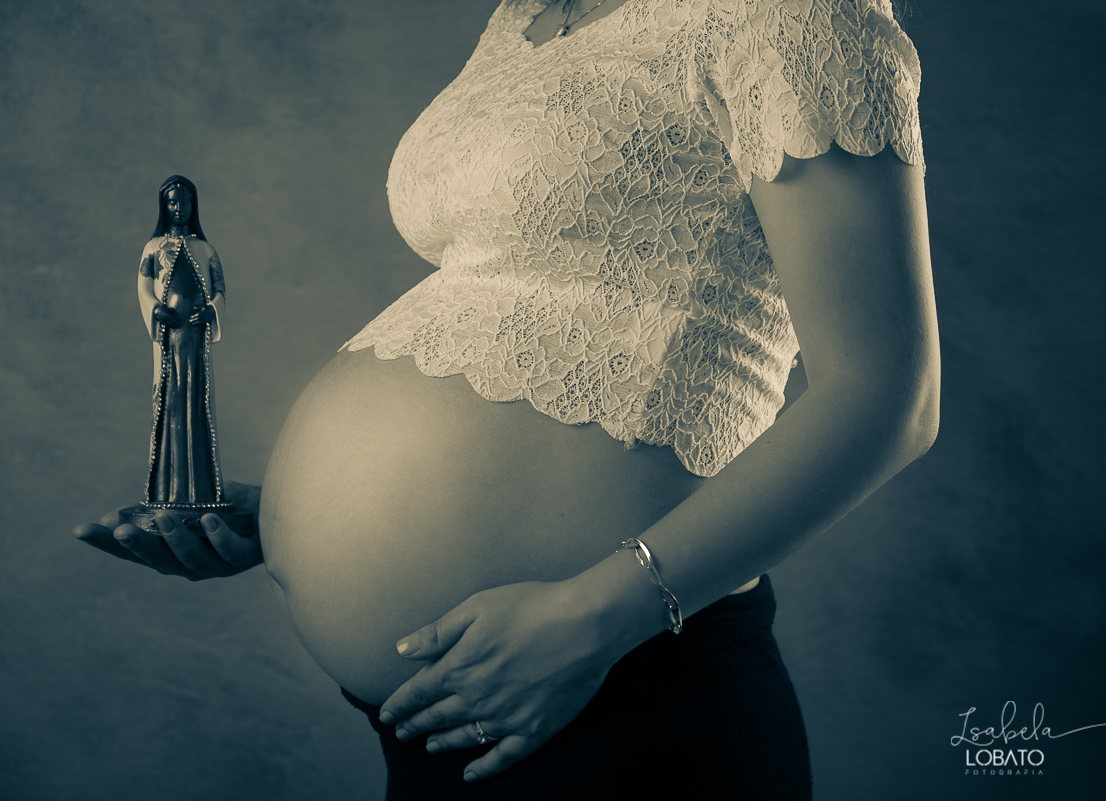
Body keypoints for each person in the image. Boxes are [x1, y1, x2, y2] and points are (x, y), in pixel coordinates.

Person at [76, 0, 939, 797]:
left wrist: (590, 617)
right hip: (448, 728)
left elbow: (889, 397)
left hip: (618, 686)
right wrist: (297, 520)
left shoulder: (789, 13)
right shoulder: (525, 17)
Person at [137, 175, 228, 508]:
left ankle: (202, 489)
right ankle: (166, 489)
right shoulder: (153, 249)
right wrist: (156, 309)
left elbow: (219, 289)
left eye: (185, 202)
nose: (179, 208)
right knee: (169, 400)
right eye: (173, 202)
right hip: (167, 339)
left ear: (194, 206)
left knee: (198, 402)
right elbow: (144, 287)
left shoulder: (206, 250)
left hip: (195, 339)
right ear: (164, 206)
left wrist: (211, 311)